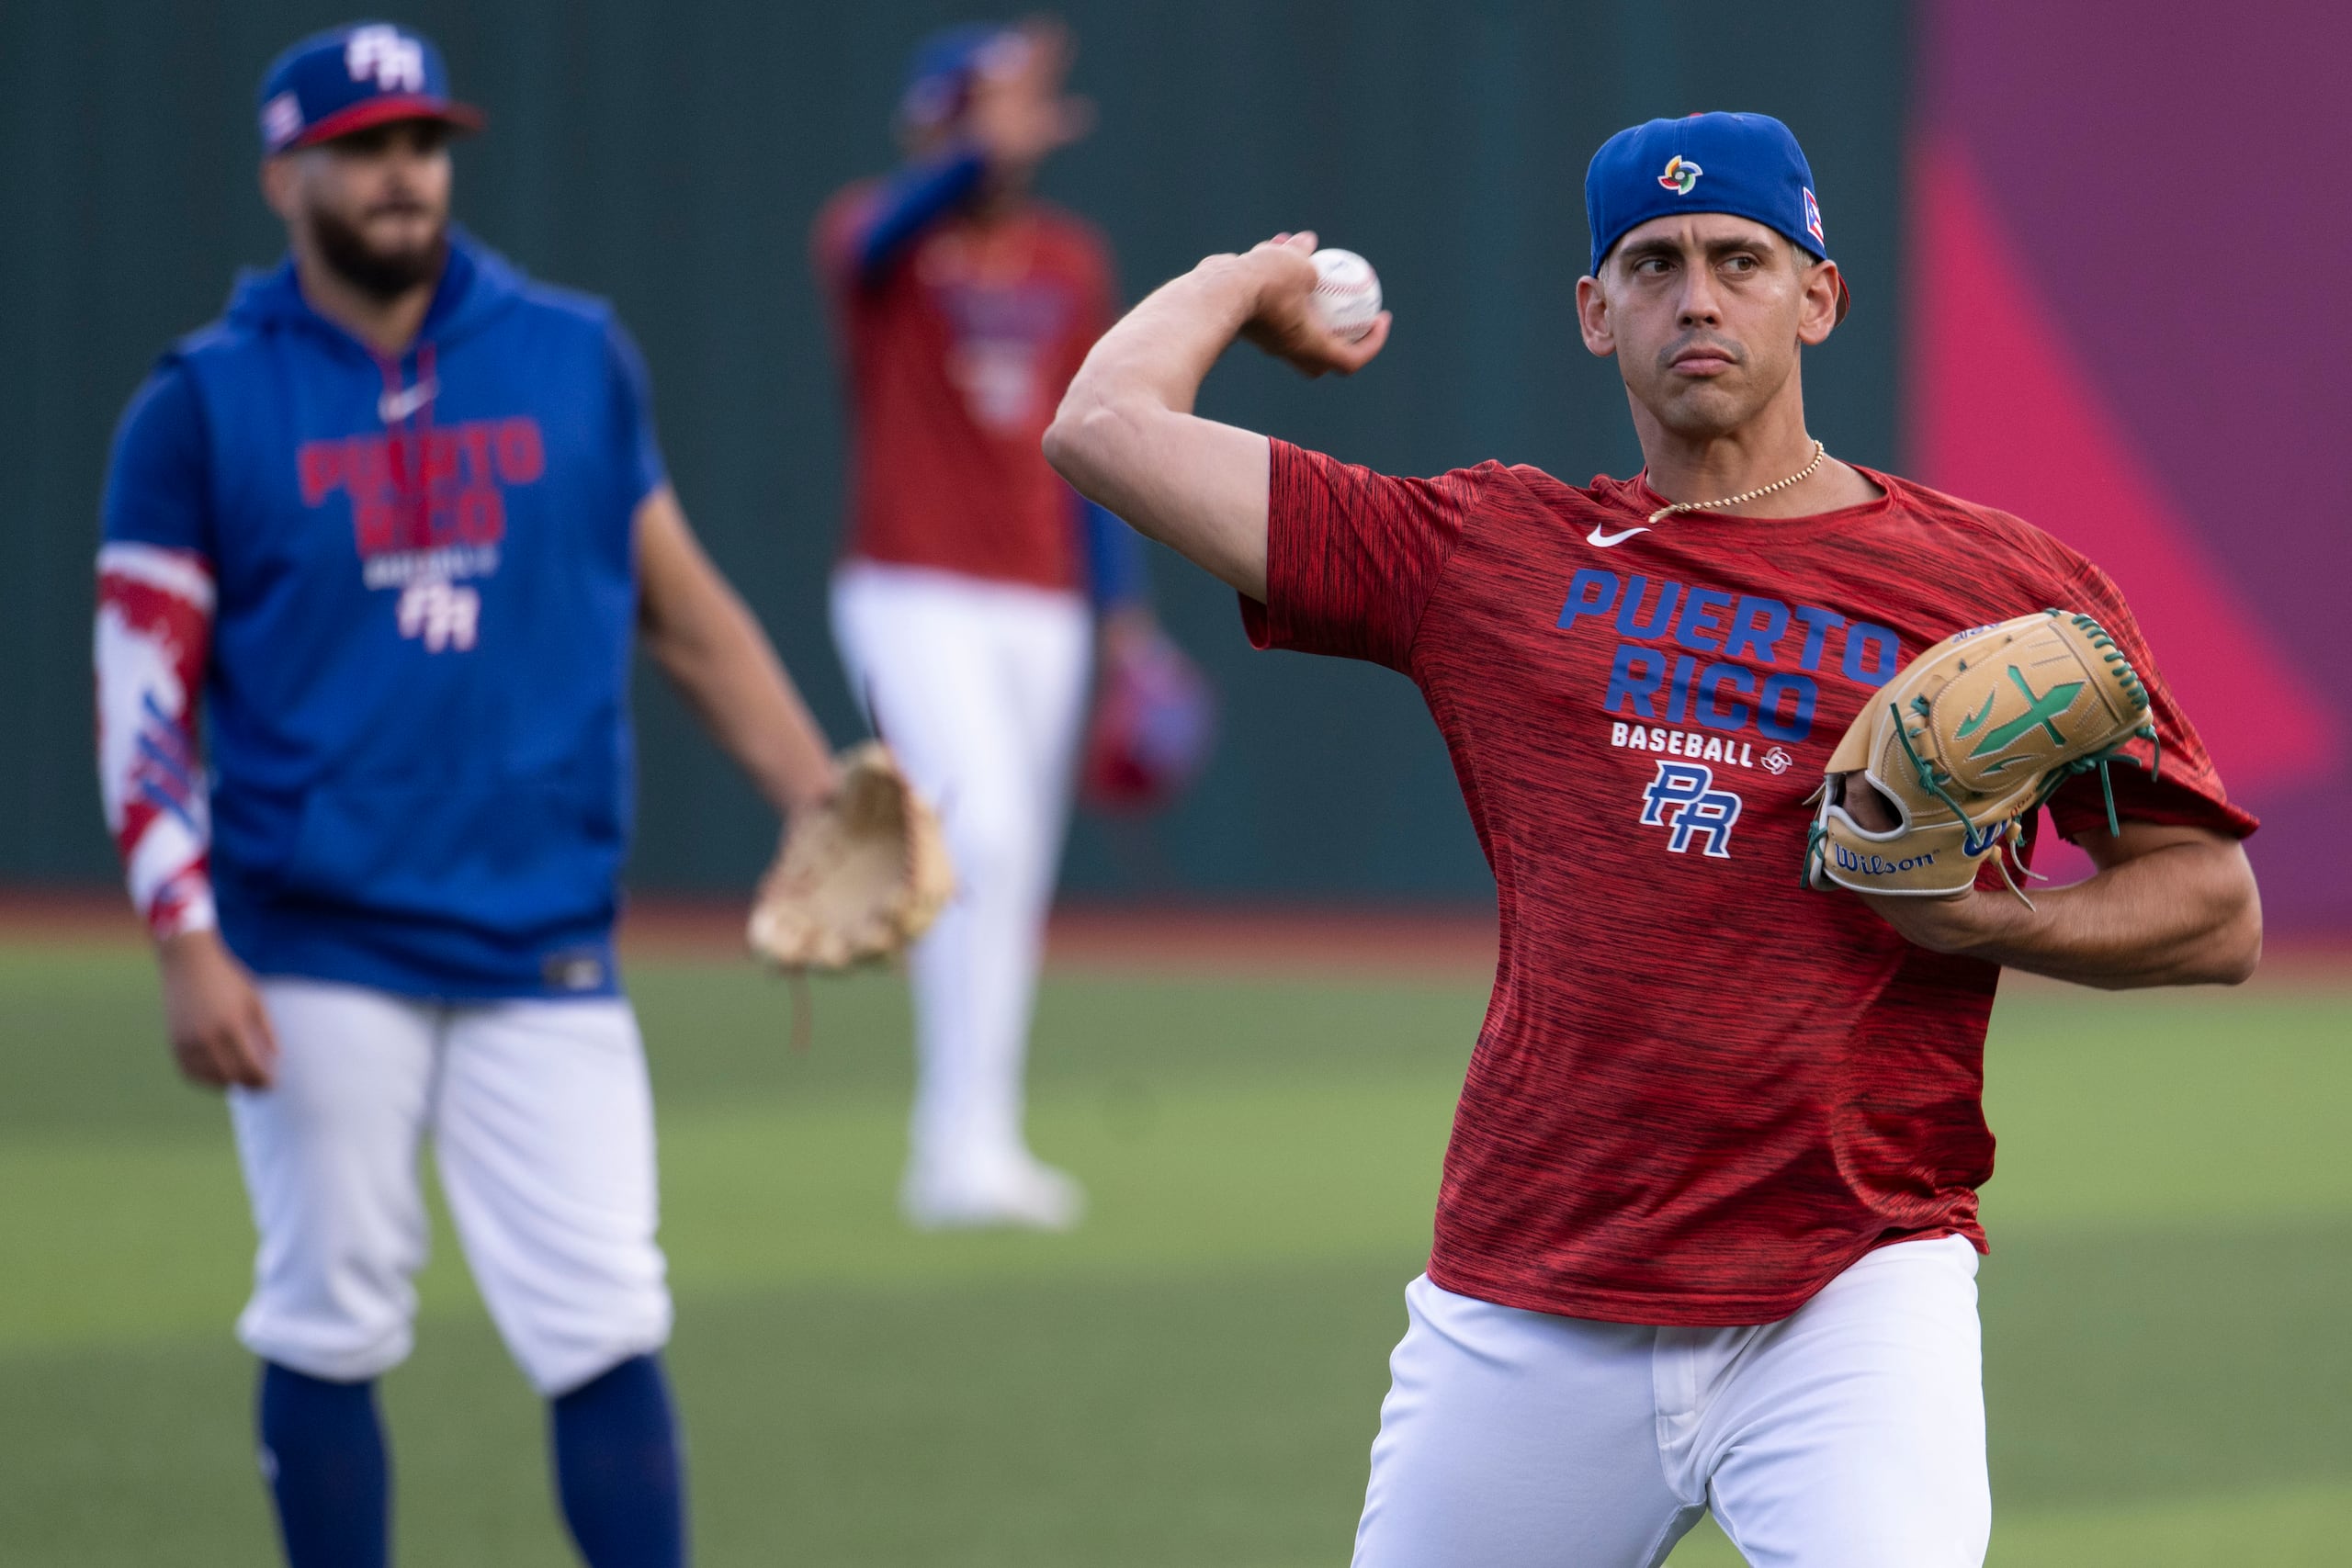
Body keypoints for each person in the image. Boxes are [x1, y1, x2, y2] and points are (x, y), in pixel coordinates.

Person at [1044, 112, 2262, 1566]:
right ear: (1592, 311)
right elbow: (1102, 430)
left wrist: (1991, 922)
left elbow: (2214, 907)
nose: (1697, 296)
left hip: (1853, 1287)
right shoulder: (1486, 557)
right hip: (1534, 1293)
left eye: (1742, 260)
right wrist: (1249, 282)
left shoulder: (1998, 588)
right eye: (1654, 262)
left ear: (1819, 296)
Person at [94, 24, 840, 1567]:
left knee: (604, 1315)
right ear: (283, 173)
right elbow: (142, 688)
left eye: (422, 144)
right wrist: (184, 931)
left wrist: (817, 795)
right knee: (329, 1313)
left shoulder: (573, 356)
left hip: (540, 936)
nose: (400, 174)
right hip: (313, 939)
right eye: (363, 147)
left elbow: (684, 612)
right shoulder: (201, 406)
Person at [813, 18, 1158, 1230]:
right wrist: (971, 150)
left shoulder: (1069, 258)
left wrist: (1125, 620)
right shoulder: (878, 233)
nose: (1005, 132)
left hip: (1042, 597)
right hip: (911, 585)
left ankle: (981, 1137)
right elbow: (886, 235)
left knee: (1016, 871)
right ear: (937, 125)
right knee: (985, 836)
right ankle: (949, 1145)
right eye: (977, 112)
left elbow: (1093, 437)